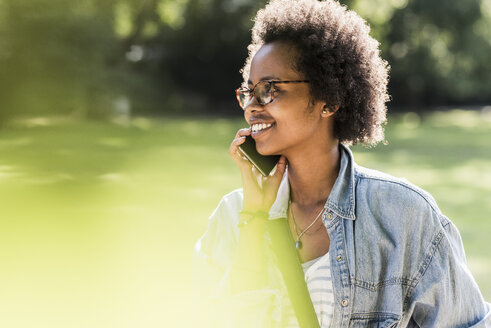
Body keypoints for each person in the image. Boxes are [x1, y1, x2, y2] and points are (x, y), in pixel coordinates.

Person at [193, 0, 491, 327]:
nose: (251, 107)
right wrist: (254, 214)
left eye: (268, 90)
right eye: (248, 92)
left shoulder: (402, 214)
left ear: (329, 99)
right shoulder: (231, 215)